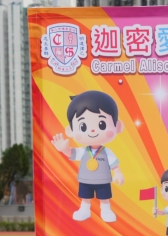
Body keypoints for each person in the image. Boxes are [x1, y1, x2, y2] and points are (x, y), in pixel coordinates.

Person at [51, 90, 126, 223]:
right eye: (83, 126)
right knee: (85, 196)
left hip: (103, 180)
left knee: (104, 197)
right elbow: (72, 153)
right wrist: (64, 149)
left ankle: (106, 210)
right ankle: (84, 209)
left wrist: (118, 174)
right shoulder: (83, 150)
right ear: (70, 131)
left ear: (117, 126)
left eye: (102, 124)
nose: (92, 130)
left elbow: (114, 165)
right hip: (85, 180)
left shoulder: (106, 151)